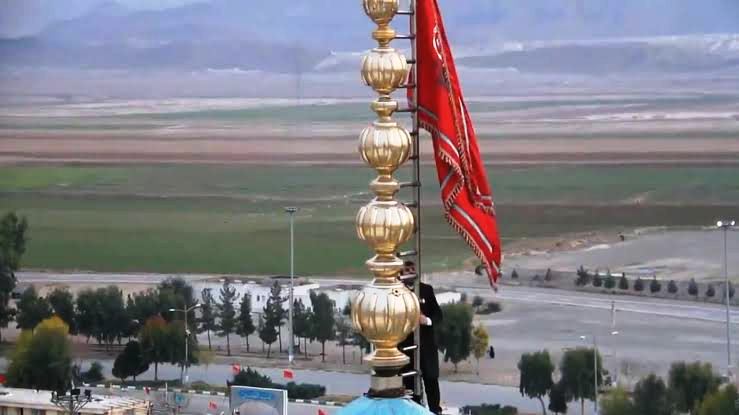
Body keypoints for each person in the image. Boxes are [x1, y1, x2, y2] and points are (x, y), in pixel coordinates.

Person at [399, 261, 443, 414]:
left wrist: (427, 320)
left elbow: (438, 315)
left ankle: (435, 411)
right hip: (406, 347)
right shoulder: (395, 292)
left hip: (426, 346)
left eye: (413, 269)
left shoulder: (426, 290)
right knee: (409, 384)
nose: (411, 272)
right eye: (407, 270)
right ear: (400, 273)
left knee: (431, 381)